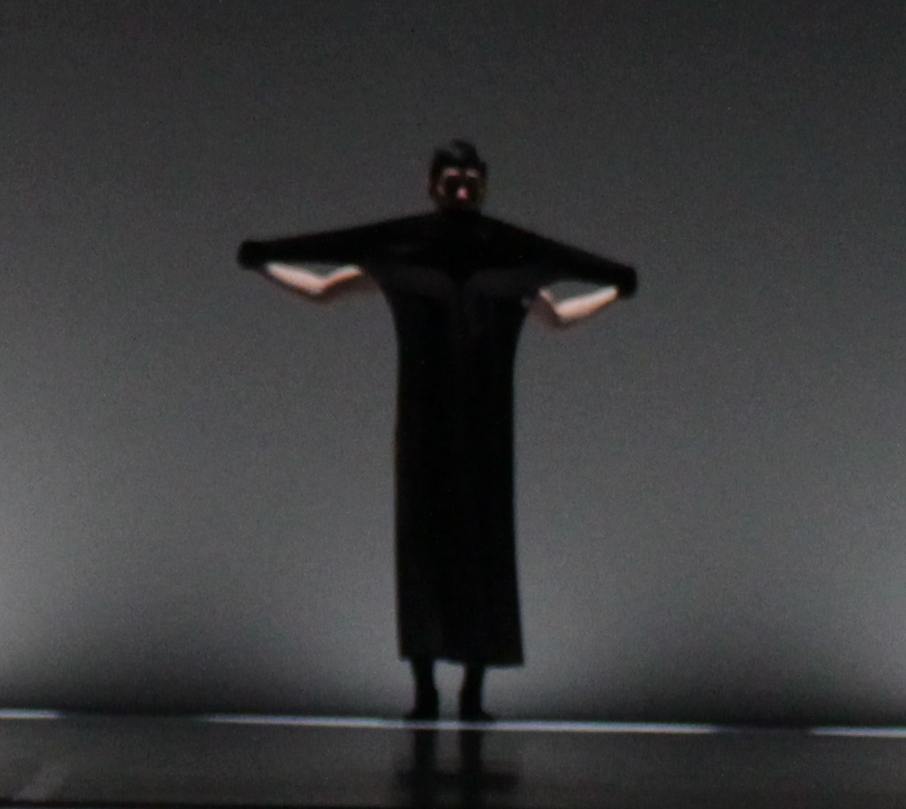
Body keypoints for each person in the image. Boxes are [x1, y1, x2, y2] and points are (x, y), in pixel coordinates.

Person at [242, 142, 636, 723]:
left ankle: (470, 691)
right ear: (433, 185)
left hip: (480, 429)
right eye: (453, 178)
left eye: (472, 178)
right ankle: (427, 688)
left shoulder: (505, 262)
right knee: (426, 545)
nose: (463, 187)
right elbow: (326, 287)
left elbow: (555, 316)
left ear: (484, 186)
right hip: (429, 427)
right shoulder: (413, 257)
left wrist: (612, 290)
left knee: (480, 544)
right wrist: (267, 262)